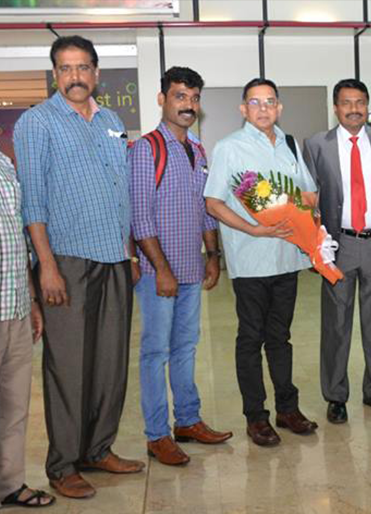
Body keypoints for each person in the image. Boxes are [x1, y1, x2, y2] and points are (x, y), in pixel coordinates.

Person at [14, 36, 144, 499]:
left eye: (83, 67)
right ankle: (63, 463)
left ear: (96, 73)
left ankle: (98, 449)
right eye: (66, 68)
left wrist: (129, 253)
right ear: (55, 74)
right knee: (69, 366)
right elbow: (32, 201)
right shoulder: (37, 122)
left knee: (111, 363)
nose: (75, 76)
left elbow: (121, 194)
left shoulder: (111, 122)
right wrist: (46, 266)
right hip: (66, 260)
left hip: (114, 258)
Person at [204, 77, 319, 447]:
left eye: (270, 101)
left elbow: (310, 192)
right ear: (243, 109)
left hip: (287, 257)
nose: (263, 108)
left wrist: (301, 208)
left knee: (281, 337)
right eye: (255, 102)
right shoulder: (229, 148)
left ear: (279, 107)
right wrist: (254, 228)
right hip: (251, 260)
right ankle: (256, 417)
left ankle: (288, 409)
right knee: (251, 338)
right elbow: (213, 203)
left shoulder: (289, 144)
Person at [130, 66, 233, 466]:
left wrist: (213, 256)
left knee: (186, 348)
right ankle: (157, 435)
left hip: (192, 270)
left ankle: (188, 420)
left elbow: (206, 209)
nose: (188, 105)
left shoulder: (199, 150)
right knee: (155, 352)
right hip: (159, 274)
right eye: (179, 96)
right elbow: (140, 217)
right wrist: (162, 269)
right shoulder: (146, 149)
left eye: (193, 98)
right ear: (163, 99)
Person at [0, 60, 56, 511]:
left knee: (12, 407)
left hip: (14, 307)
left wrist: (32, 300)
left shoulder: (0, 162)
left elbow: (16, 237)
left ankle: (8, 482)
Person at [302, 79, 371, 424]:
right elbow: (308, 201)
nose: (354, 109)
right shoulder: (316, 145)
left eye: (360, 102)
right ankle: (335, 395)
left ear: (367, 105)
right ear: (335, 107)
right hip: (338, 246)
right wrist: (315, 248)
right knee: (336, 323)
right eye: (346, 103)